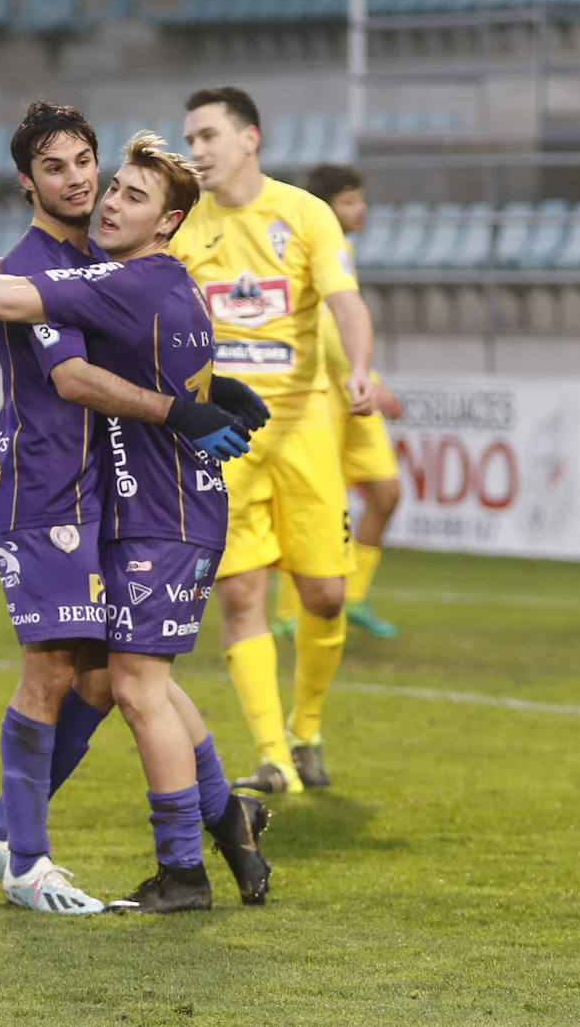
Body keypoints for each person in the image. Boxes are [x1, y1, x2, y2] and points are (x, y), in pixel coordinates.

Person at [0, 113, 271, 912]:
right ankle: (26, 852)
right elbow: (71, 370)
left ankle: (53, 839)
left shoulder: (102, 261)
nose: (88, 185)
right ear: (26, 181)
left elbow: (91, 310)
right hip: (55, 489)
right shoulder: (71, 259)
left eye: (96, 168)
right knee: (84, 675)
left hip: (128, 496)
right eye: (64, 170)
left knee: (118, 678)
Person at [171, 87, 377, 795]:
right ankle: (273, 758)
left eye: (207, 136)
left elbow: (347, 304)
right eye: (189, 138)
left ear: (249, 138)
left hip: (305, 430)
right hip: (224, 439)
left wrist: (362, 370)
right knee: (240, 596)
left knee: (323, 595)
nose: (196, 150)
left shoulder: (305, 214)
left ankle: (307, 728)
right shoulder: (182, 227)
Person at [271, 162, 403, 640]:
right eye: (349, 201)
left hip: (354, 393)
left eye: (359, 198)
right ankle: (290, 612)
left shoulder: (343, 250)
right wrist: (368, 378)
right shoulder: (316, 250)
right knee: (315, 505)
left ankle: (353, 597)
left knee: (386, 492)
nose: (360, 208)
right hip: (326, 396)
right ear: (325, 208)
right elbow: (327, 331)